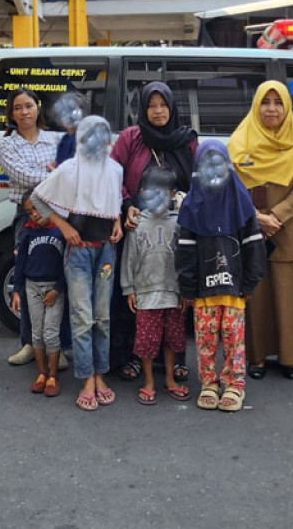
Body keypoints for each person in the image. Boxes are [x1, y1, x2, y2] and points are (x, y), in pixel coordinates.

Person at [30, 115, 124, 412]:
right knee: (83, 318)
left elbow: (114, 200)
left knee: (103, 317)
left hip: (106, 251)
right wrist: (64, 226)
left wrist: (118, 220)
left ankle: (99, 374)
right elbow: (38, 199)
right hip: (80, 252)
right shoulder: (70, 169)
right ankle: (86, 378)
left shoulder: (115, 169)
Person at [228, 80, 293, 381]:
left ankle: (289, 359)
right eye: (266, 102)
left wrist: (275, 216)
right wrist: (255, 217)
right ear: (256, 106)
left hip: (289, 230)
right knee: (257, 299)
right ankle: (257, 358)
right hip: (250, 230)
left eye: (278, 103)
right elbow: (231, 188)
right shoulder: (238, 143)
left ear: (287, 107)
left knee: (289, 299)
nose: (272, 109)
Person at [112, 82, 197, 383]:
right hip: (139, 223)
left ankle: (176, 359)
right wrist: (125, 206)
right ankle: (135, 357)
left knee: (175, 293)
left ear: (172, 107)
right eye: (151, 105)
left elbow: (197, 182)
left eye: (163, 105)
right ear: (143, 109)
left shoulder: (187, 140)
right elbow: (114, 174)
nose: (158, 111)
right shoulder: (131, 138)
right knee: (139, 294)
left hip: (177, 226)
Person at [176, 141, 267, 412]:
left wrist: (250, 282)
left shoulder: (242, 203)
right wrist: (188, 288)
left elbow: (254, 246)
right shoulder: (192, 206)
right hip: (203, 292)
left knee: (233, 338)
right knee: (205, 338)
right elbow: (185, 252)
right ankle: (209, 384)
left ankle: (234, 385)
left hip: (235, 289)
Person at [0, 88, 65, 367]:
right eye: (17, 108)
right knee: (26, 276)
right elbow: (20, 175)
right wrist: (53, 173)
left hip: (58, 213)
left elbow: (68, 169)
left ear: (38, 108)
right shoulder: (7, 145)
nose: (24, 112)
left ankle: (58, 345)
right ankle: (28, 342)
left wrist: (57, 173)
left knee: (58, 276)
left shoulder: (56, 139)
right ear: (11, 114)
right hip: (27, 213)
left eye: (29, 106)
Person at [121, 166, 189, 405]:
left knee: (172, 340)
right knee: (147, 342)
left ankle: (170, 379)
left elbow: (186, 259)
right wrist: (129, 289)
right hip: (146, 294)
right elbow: (129, 257)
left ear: (173, 194)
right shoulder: (137, 224)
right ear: (142, 193)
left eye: (164, 192)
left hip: (174, 293)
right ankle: (148, 382)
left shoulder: (180, 223)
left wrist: (186, 291)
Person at [9, 191, 67, 397]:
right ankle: (41, 374)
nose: (33, 214)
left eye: (36, 208)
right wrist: (17, 291)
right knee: (36, 332)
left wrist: (57, 289)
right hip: (32, 287)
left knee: (51, 333)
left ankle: (53, 376)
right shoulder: (27, 232)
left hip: (53, 289)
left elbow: (67, 266)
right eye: (28, 211)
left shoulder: (60, 231)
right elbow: (21, 263)